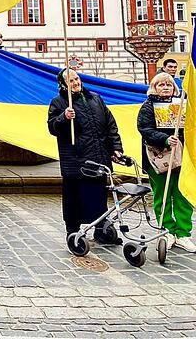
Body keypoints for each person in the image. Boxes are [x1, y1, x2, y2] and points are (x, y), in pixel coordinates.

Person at [48, 68, 124, 243]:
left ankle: (101, 229)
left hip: (99, 158)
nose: (75, 83)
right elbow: (52, 127)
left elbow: (110, 126)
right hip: (75, 161)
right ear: (63, 85)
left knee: (98, 196)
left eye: (76, 79)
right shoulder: (58, 103)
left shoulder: (95, 99)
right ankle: (73, 230)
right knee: (74, 198)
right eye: (71, 81)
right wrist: (64, 118)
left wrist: (115, 148)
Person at [137, 72, 195, 252]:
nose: (165, 87)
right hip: (159, 159)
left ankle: (183, 233)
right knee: (162, 196)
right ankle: (166, 230)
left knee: (182, 195)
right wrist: (164, 139)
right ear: (154, 87)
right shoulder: (148, 107)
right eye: (161, 85)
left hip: (182, 157)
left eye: (168, 85)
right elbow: (144, 128)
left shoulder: (182, 106)